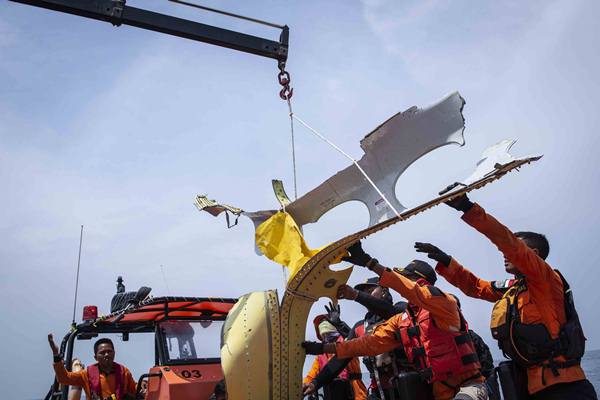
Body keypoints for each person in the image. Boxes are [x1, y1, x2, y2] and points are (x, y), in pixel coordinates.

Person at [414, 194, 597, 399]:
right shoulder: (513, 289)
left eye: (512, 252)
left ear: (532, 254)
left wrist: (468, 209)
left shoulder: (547, 280)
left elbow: (509, 243)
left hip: (565, 388)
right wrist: (447, 261)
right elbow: (477, 287)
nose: (504, 254)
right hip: (533, 387)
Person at [302, 242, 488, 400]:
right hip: (434, 392)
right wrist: (321, 350)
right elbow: (370, 343)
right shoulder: (403, 319)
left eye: (406, 278)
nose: (402, 282)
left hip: (466, 387)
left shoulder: (444, 302)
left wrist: (370, 263)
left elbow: (411, 292)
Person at [304, 278, 409, 400]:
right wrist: (315, 383)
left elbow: (391, 312)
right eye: (364, 293)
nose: (366, 295)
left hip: (410, 387)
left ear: (384, 291)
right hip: (379, 392)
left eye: (370, 290)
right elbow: (342, 357)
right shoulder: (360, 326)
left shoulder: (401, 311)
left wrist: (356, 295)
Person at [48, 334, 139, 400]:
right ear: (95, 357)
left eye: (109, 351)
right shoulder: (86, 374)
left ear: (114, 353)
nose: (106, 354)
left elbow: (136, 390)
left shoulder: (124, 372)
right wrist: (56, 354)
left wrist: (144, 385)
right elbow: (64, 378)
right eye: (102, 352)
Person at [304, 316, 368, 399]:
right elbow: (311, 375)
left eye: (330, 335)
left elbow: (356, 341)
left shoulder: (347, 344)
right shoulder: (320, 356)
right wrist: (304, 385)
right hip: (330, 394)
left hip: (355, 394)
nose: (327, 338)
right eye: (324, 336)